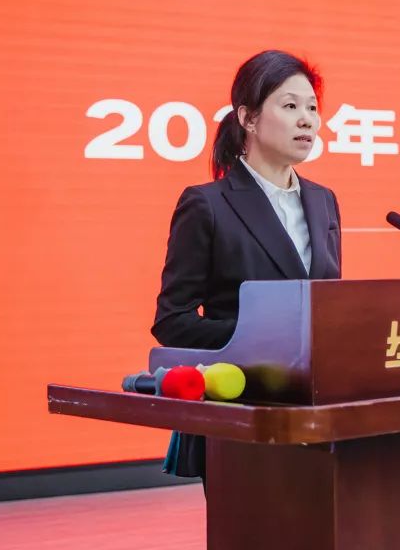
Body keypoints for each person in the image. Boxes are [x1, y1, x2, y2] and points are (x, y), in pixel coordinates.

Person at [151, 49, 342, 480]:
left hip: (315, 412)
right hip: (241, 410)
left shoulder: (324, 201)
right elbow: (172, 320)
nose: (307, 120)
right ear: (248, 119)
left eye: (312, 108)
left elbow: (328, 306)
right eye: (290, 106)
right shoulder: (208, 204)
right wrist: (262, 339)